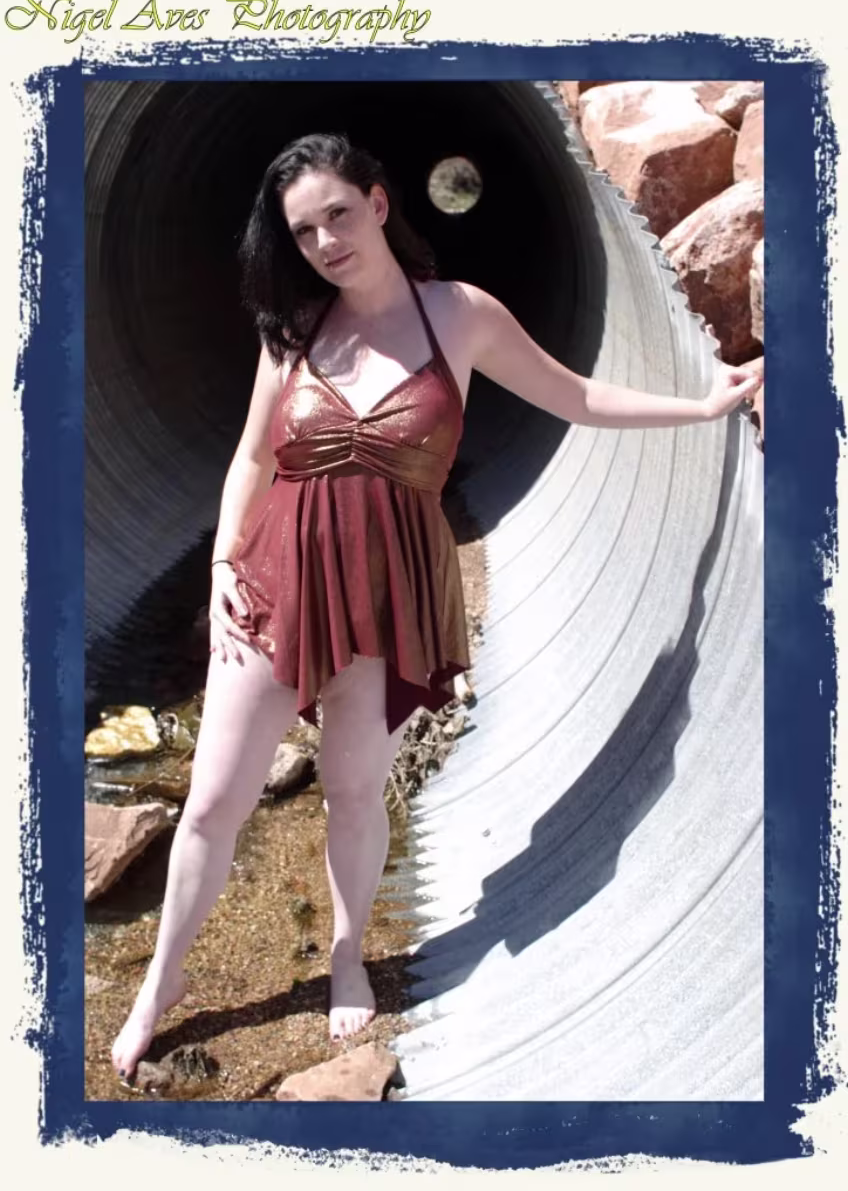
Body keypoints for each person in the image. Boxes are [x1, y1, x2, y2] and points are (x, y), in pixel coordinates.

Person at [110, 133, 762, 1082]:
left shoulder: (461, 316)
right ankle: (157, 986)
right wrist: (219, 562)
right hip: (273, 582)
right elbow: (253, 456)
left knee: (351, 791)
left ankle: (346, 956)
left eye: (339, 214)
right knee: (210, 802)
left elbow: (576, 395)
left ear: (378, 203)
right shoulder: (292, 330)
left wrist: (701, 407)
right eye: (303, 231)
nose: (325, 242)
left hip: (389, 594)